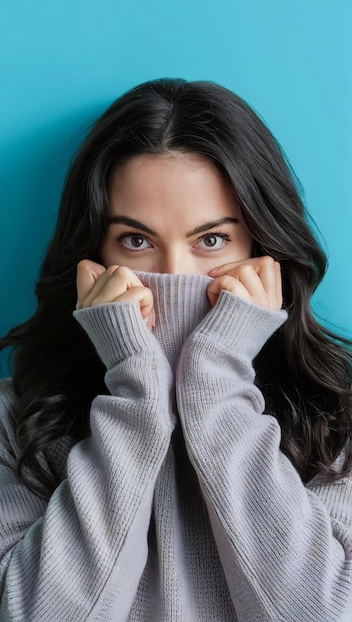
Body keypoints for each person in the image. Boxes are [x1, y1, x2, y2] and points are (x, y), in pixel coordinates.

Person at [0, 78, 351, 621]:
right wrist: (136, 389)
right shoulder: (11, 419)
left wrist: (217, 381)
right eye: (136, 241)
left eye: (212, 241)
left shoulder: (338, 418)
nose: (173, 277)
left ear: (263, 251)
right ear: (91, 257)